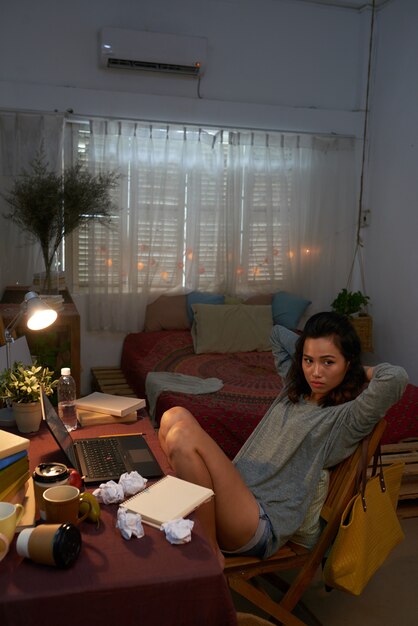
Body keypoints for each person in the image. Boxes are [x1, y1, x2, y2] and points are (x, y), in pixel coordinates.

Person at [158, 312, 408, 567]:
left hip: (259, 522)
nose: (315, 372)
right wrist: (312, 354)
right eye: (308, 360)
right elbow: (277, 333)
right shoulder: (294, 389)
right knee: (173, 416)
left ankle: (210, 552)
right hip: (237, 497)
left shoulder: (345, 420)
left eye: (328, 362)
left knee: (182, 436)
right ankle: (186, 516)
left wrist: (356, 370)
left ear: (348, 362)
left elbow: (396, 378)